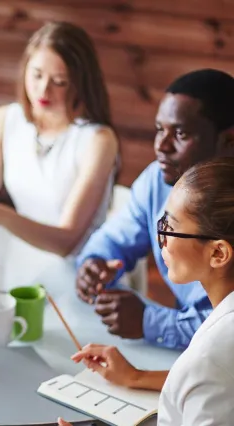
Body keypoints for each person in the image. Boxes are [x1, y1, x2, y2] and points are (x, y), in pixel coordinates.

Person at [59, 158, 234, 425]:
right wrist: (135, 377)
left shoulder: (209, 356)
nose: (160, 236)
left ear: (218, 253)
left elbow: (208, 373)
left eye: (171, 227)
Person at [75, 69, 234, 350]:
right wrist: (94, 262)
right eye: (160, 129)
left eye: (181, 133)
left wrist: (152, 322)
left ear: (228, 141)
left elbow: (227, 331)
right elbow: (115, 236)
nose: (161, 146)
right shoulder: (158, 179)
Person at [0, 21, 118, 261]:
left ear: (80, 83)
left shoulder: (98, 141)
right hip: (26, 255)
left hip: (82, 267)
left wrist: (2, 216)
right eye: (36, 75)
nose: (44, 91)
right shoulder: (5, 120)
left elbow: (66, 242)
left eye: (59, 82)